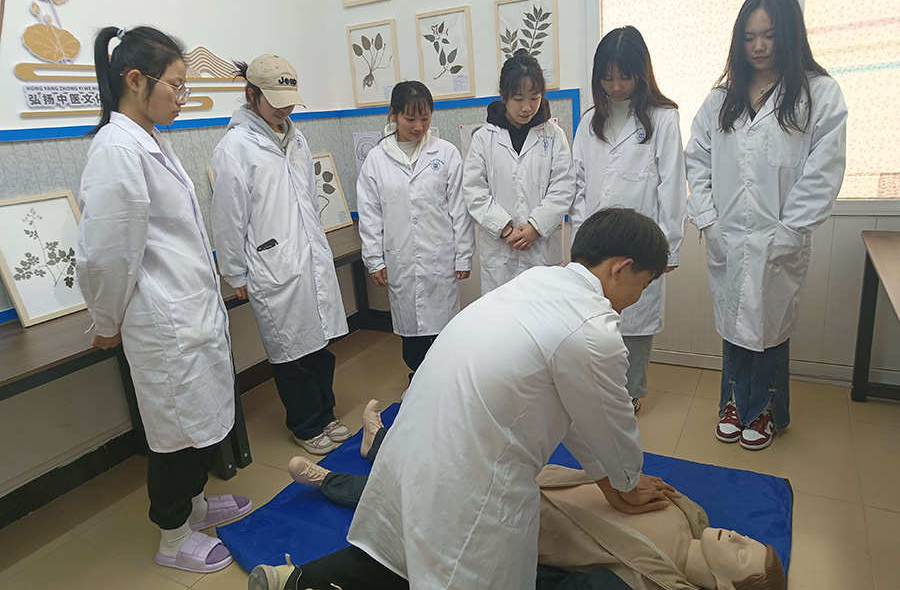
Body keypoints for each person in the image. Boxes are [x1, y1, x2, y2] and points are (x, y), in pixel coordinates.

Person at [343, 208, 680, 589]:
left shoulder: (536, 281)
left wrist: (612, 483)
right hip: (465, 492)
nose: (638, 297)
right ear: (622, 268)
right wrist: (629, 485)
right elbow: (611, 425)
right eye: (644, 285)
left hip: (408, 458)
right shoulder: (592, 328)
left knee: (398, 566)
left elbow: (577, 411)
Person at [259, 400, 784, 590]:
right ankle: (378, 447)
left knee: (426, 496)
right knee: (442, 464)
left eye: (741, 553)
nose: (737, 535)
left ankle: (330, 481)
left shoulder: (655, 578)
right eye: (748, 539)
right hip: (543, 481)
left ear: (724, 586)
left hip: (523, 517)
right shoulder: (691, 516)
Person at [75, 27, 251, 573]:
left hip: (187, 311)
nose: (182, 97)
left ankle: (194, 505)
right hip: (161, 321)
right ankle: (172, 534)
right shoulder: (116, 150)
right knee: (175, 434)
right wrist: (106, 320)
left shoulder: (151, 139)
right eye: (176, 86)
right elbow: (107, 253)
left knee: (198, 420)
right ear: (136, 80)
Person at [685, 0, 848, 450]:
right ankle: (733, 403)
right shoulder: (721, 99)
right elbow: (696, 159)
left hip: (780, 235)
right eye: (749, 37)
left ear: (789, 35)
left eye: (769, 36)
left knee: (770, 328)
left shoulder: (819, 94)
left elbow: (823, 172)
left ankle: (765, 410)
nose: (758, 46)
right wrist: (708, 219)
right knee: (734, 324)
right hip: (728, 234)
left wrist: (791, 229)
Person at [211, 54, 350, 456]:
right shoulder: (235, 147)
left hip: (308, 255)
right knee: (292, 354)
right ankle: (306, 424)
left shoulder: (297, 139)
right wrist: (235, 273)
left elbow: (308, 198)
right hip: (271, 264)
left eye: (289, 101)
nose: (284, 109)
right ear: (251, 94)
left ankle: (326, 413)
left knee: (320, 347)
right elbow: (228, 216)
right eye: (275, 101)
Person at [571, 26, 686, 413]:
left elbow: (672, 185)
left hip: (641, 242)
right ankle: (600, 392)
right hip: (597, 246)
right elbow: (578, 185)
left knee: (635, 323)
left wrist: (669, 247)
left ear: (642, 73)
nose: (616, 86)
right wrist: (580, 244)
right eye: (607, 77)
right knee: (596, 321)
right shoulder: (590, 122)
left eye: (625, 76)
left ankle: (631, 393)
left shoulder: (663, 118)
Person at [357, 81, 475, 381]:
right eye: (410, 118)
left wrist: (463, 255)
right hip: (401, 260)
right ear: (393, 114)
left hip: (440, 259)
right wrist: (374, 259)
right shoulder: (376, 159)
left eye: (425, 117)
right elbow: (370, 213)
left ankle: (444, 385)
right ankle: (419, 382)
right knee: (412, 339)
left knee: (445, 334)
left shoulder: (446, 153)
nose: (419, 126)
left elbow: (459, 208)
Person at [462, 48, 574, 295]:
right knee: (503, 313)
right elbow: (473, 190)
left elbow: (564, 186)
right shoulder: (484, 138)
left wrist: (535, 226)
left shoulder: (554, 135)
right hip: (501, 249)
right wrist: (504, 227)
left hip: (542, 248)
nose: (527, 107)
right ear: (503, 96)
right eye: (519, 99)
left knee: (544, 311)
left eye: (534, 98)